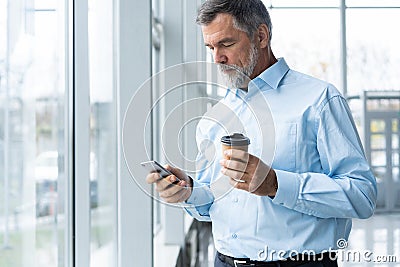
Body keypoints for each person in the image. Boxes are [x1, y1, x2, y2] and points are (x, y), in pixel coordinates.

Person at [146, 0, 377, 266]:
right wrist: (188, 190)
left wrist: (276, 184)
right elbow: (213, 202)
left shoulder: (320, 100)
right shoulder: (214, 117)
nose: (217, 58)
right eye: (210, 47)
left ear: (261, 36)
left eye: (226, 44)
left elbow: (362, 195)